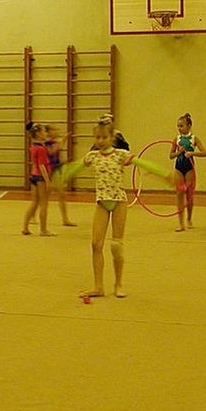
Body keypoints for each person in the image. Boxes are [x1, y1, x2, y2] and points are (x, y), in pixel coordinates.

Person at [78, 117, 174, 298]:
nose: (100, 141)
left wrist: (164, 174)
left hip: (119, 202)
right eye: (97, 137)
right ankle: (98, 286)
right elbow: (75, 168)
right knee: (95, 244)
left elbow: (142, 163)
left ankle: (118, 283)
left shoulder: (120, 154)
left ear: (111, 137)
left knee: (116, 245)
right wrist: (60, 176)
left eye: (104, 137)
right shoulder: (92, 156)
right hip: (102, 202)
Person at [169, 113, 206, 231]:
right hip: (179, 167)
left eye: (181, 126)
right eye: (178, 126)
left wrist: (192, 153)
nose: (179, 128)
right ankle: (181, 223)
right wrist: (179, 152)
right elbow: (171, 155)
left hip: (189, 167)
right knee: (179, 193)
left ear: (189, 126)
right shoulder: (177, 139)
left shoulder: (194, 138)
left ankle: (189, 218)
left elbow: (204, 153)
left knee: (189, 194)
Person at [21, 123, 54, 236]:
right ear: (39, 134)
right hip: (41, 178)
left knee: (34, 203)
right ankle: (43, 230)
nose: (46, 133)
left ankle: (25, 227)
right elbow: (41, 165)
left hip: (33, 176)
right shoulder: (41, 149)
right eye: (44, 131)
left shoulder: (34, 147)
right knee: (44, 204)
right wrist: (47, 180)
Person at [45, 124, 76, 226]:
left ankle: (65, 219)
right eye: (54, 130)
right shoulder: (46, 143)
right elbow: (51, 152)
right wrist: (60, 142)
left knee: (61, 195)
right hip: (48, 171)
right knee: (44, 196)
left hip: (56, 170)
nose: (56, 132)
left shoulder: (54, 142)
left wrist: (64, 139)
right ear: (48, 132)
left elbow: (59, 149)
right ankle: (34, 215)